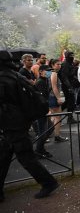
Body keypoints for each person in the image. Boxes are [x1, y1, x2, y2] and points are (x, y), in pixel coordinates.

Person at [0, 50, 59, 201]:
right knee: (5, 154)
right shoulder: (15, 75)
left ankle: (48, 183)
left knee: (25, 156)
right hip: (19, 122)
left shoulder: (3, 79)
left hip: (12, 124)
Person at [34, 65, 54, 157]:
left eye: (50, 71)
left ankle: (40, 149)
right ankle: (39, 150)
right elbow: (41, 99)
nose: (49, 72)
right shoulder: (40, 82)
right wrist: (47, 110)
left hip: (43, 109)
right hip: (40, 110)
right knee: (43, 131)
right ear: (41, 71)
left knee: (49, 129)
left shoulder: (45, 80)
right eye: (47, 70)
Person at [48, 59, 68, 142]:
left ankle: (48, 133)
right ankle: (57, 136)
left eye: (60, 64)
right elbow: (54, 87)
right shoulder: (54, 74)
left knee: (52, 116)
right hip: (53, 97)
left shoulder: (47, 73)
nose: (59, 66)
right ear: (52, 65)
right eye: (57, 64)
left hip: (50, 97)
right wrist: (58, 98)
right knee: (57, 117)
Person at [59, 51, 79, 124]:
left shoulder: (70, 63)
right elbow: (64, 77)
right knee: (71, 102)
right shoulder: (65, 64)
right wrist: (69, 87)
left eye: (72, 55)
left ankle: (60, 114)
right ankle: (67, 117)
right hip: (67, 86)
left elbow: (71, 75)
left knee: (69, 102)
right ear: (67, 56)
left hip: (70, 85)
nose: (72, 56)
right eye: (70, 55)